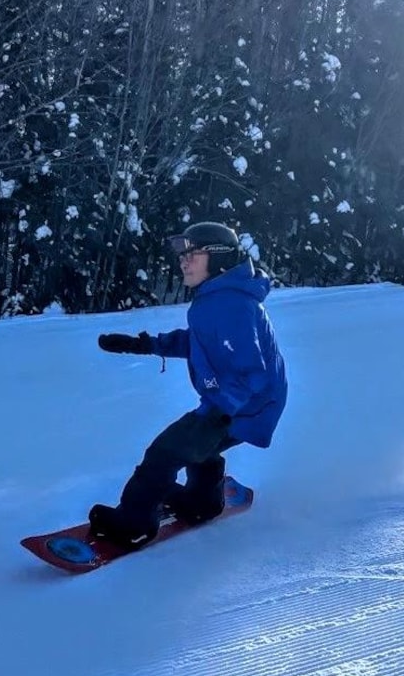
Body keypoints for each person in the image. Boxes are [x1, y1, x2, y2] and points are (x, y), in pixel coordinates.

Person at [88, 221, 288, 548]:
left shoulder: (231, 304)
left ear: (218, 257)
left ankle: (133, 524)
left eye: (192, 254)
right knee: (197, 446)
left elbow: (254, 371)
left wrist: (222, 412)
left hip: (245, 405)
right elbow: (201, 342)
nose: (183, 261)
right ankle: (202, 503)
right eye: (182, 254)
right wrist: (146, 345)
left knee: (164, 453)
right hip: (248, 403)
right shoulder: (220, 296)